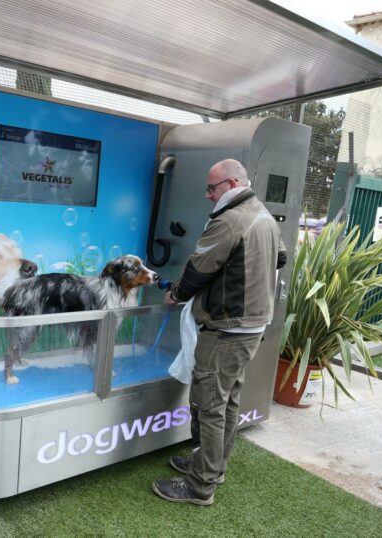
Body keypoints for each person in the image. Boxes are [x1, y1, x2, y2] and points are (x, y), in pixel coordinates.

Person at [152, 159, 286, 506]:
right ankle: (213, 467)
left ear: (229, 184)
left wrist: (176, 294)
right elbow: (280, 258)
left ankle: (200, 486)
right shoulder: (264, 215)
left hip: (226, 329)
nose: (207, 195)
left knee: (209, 405)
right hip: (253, 327)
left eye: (211, 188)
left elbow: (197, 270)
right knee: (227, 400)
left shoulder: (229, 220)